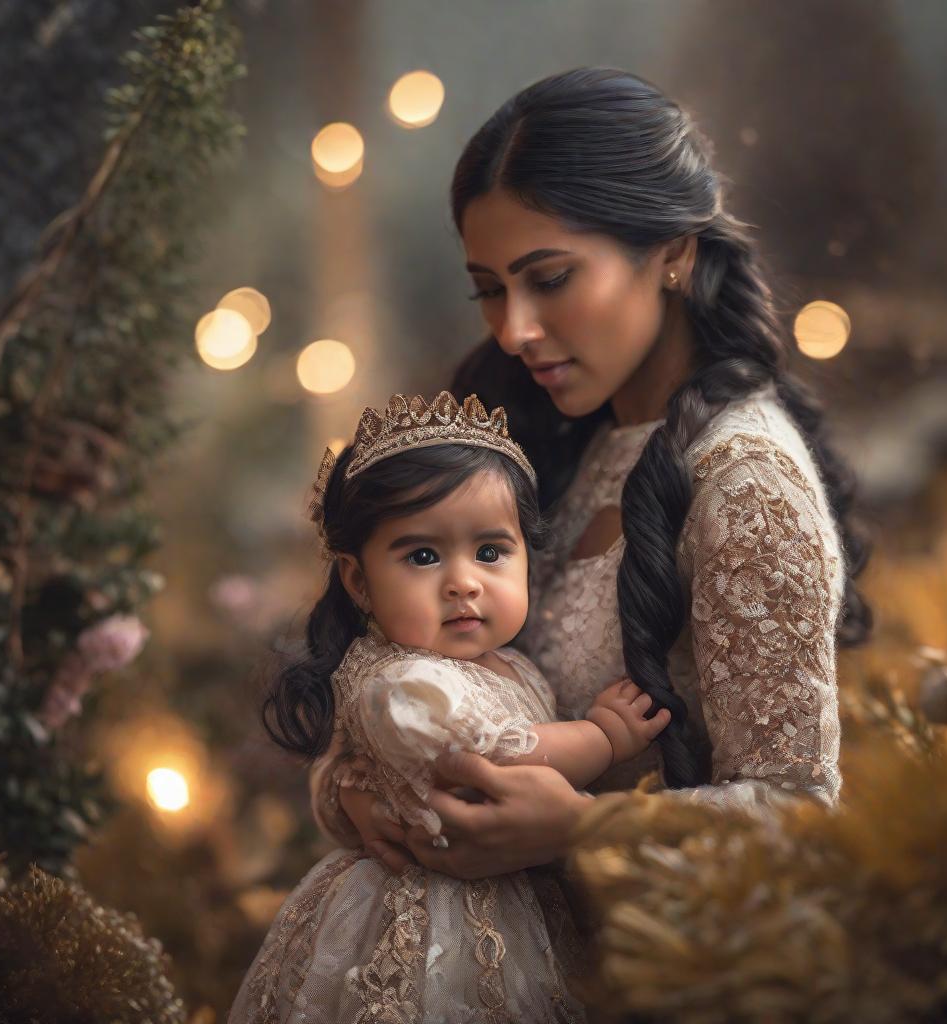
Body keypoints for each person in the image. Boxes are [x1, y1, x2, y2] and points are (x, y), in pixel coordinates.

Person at [315, 67, 870, 881]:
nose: (514, 331)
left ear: (673, 254)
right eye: (490, 291)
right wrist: (362, 798)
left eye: (549, 279)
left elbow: (799, 818)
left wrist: (586, 828)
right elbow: (397, 690)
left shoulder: (745, 478)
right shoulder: (546, 435)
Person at [230, 391, 670, 1022]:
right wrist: (601, 736)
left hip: (520, 903)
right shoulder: (405, 684)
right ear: (359, 581)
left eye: (491, 552)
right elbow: (495, 761)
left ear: (526, 553)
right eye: (423, 556)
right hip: (430, 922)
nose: (464, 581)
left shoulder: (507, 663)